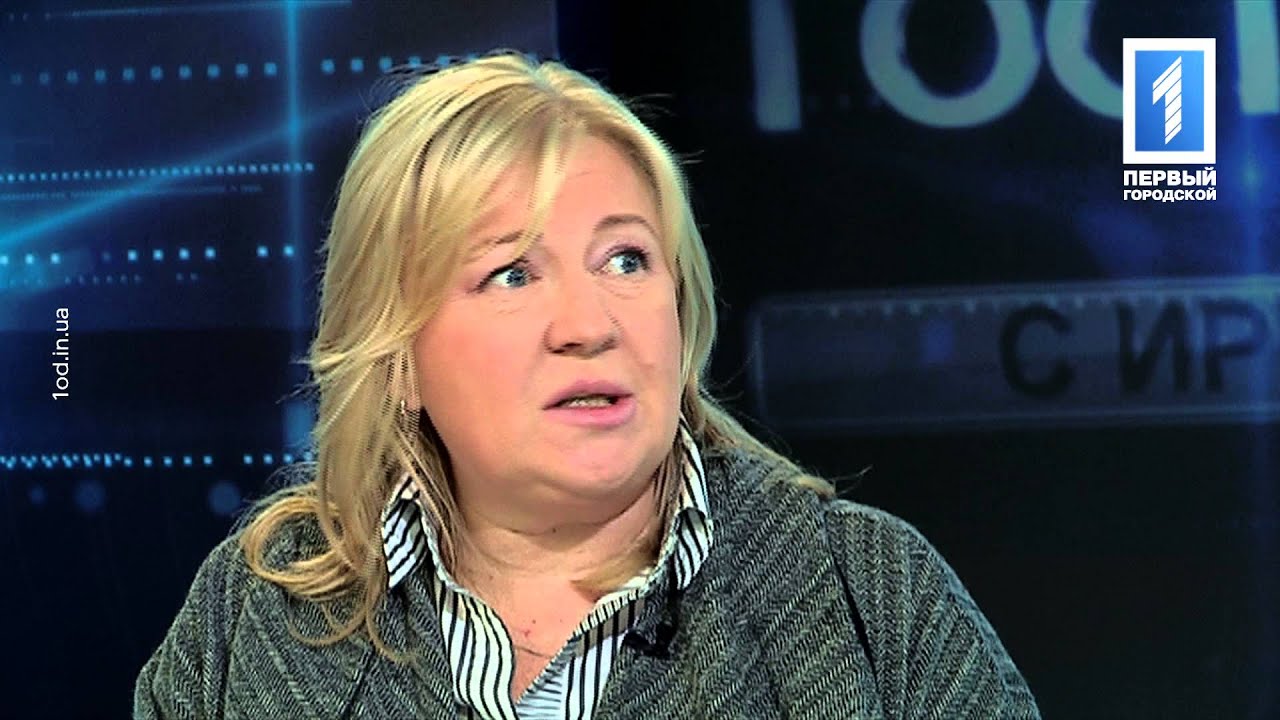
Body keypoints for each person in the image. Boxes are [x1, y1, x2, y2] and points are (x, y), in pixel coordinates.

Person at [134, 49, 1041, 719]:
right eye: (512, 274)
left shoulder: (866, 593)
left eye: (625, 259)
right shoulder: (262, 612)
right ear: (398, 355)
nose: (589, 324)